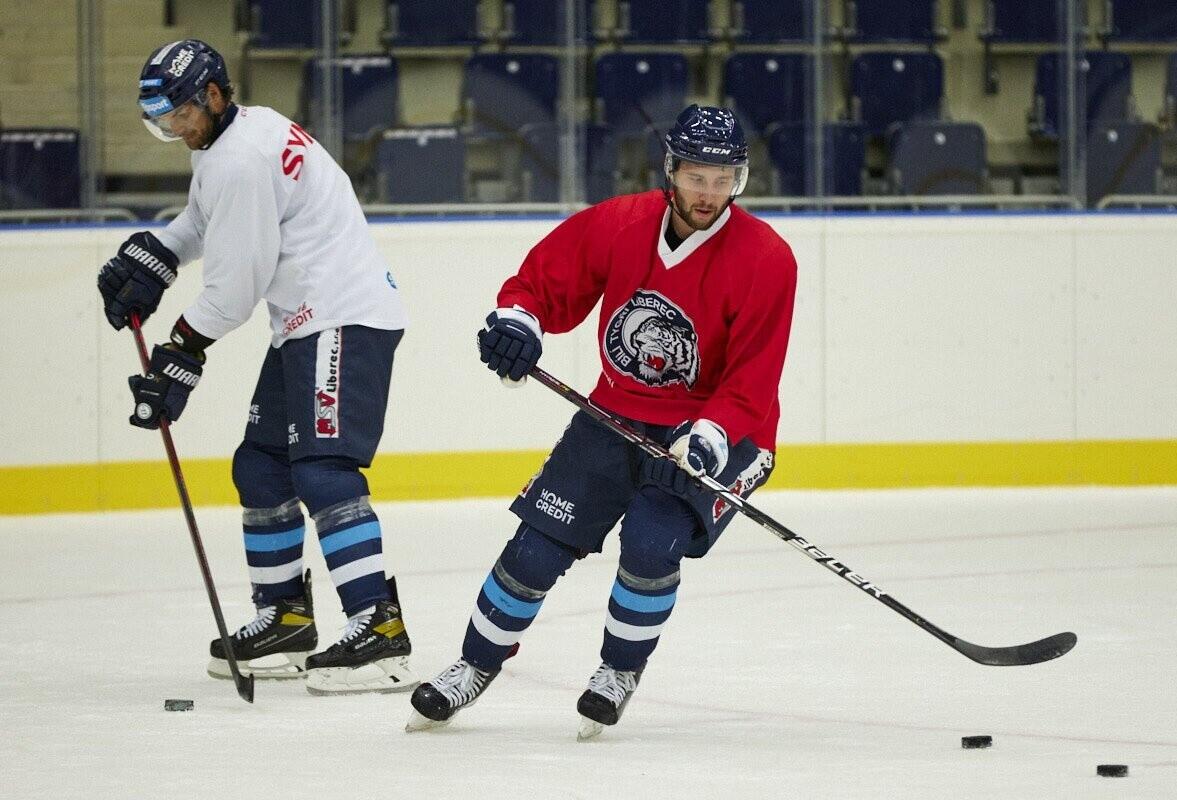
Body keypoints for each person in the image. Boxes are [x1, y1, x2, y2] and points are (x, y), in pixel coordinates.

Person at [408, 105, 798, 738]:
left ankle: (618, 671)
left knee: (650, 543)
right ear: (671, 169)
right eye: (697, 176)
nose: (709, 193)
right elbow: (542, 283)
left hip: (726, 429)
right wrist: (519, 324)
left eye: (723, 178)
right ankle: (473, 665)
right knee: (535, 549)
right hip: (616, 414)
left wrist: (710, 436)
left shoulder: (767, 258)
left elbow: (754, 377)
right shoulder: (622, 223)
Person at [97, 40, 417, 695]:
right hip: (309, 320)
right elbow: (203, 219)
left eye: (181, 113)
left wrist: (180, 351)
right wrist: (159, 253)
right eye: (163, 119)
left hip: (342, 317)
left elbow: (233, 291)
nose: (176, 129)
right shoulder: (239, 135)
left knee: (323, 469)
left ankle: (379, 629)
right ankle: (286, 619)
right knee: (262, 465)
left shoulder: (240, 159)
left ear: (214, 95)